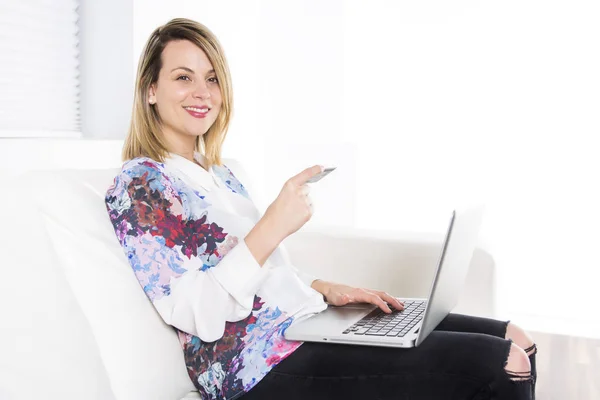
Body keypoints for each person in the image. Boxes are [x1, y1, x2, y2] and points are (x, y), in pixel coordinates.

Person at [105, 17, 538, 400]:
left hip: (307, 322)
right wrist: (273, 224)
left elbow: (259, 272)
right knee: (505, 362)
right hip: (255, 366)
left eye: (213, 79)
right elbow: (199, 313)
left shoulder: (221, 174)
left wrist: (323, 288)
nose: (203, 93)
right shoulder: (141, 182)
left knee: (517, 338)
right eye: (184, 77)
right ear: (151, 90)